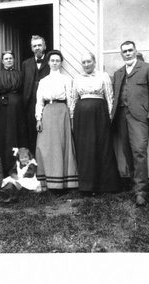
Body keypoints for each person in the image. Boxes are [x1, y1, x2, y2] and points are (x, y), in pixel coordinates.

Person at [111, 41, 149, 206]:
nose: (127, 53)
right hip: (121, 117)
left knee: (139, 152)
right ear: (121, 54)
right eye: (124, 51)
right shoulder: (118, 73)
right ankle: (135, 185)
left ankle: (141, 191)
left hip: (139, 118)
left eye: (130, 50)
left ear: (135, 51)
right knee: (127, 152)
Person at [73, 52, 120, 194]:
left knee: (102, 146)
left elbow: (110, 97)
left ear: (94, 61)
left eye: (89, 61)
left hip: (100, 114)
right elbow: (73, 99)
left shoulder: (103, 76)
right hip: (82, 115)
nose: (86, 64)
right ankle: (87, 186)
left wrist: (110, 117)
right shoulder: (77, 77)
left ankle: (106, 185)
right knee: (85, 148)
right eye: (84, 62)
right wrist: (72, 117)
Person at [35, 50, 78, 190]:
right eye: (52, 60)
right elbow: (39, 101)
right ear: (48, 62)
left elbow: (71, 100)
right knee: (46, 146)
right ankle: (46, 182)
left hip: (62, 112)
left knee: (61, 145)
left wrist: (71, 118)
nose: (54, 63)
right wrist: (38, 118)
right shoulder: (43, 81)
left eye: (57, 61)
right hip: (48, 111)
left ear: (60, 63)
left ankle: (63, 182)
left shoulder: (66, 79)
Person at [0, 50, 28, 175]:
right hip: (4, 108)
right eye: (6, 58)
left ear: (14, 60)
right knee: (5, 136)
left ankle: (19, 167)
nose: (8, 60)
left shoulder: (19, 74)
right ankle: (5, 167)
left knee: (18, 134)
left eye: (10, 58)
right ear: (2, 61)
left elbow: (24, 91)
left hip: (18, 108)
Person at [21, 35, 50, 154]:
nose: (37, 48)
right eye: (34, 46)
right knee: (31, 134)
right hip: (30, 103)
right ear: (32, 48)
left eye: (39, 45)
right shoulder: (26, 64)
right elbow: (23, 83)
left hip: (47, 103)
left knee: (46, 133)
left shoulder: (50, 61)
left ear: (44, 47)